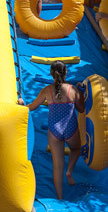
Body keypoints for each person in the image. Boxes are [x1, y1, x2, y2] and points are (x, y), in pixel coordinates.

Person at [18, 61, 86, 200]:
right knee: (76, 149)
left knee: (57, 166)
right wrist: (81, 92)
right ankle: (69, 172)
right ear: (66, 72)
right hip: (70, 127)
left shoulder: (47, 90)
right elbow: (81, 109)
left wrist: (22, 104)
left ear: (51, 73)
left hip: (54, 130)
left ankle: (60, 197)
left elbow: (31, 107)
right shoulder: (73, 90)